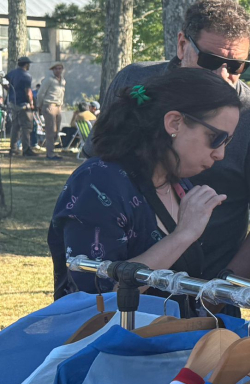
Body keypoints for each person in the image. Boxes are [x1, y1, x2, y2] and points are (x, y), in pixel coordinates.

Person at [92, 0, 250, 283]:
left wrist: (218, 292)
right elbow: (99, 162)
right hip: (118, 277)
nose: (222, 75)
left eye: (237, 66)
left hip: (205, 285)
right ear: (182, 44)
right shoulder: (134, 81)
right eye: (210, 61)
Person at [49, 68, 238, 298]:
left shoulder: (178, 185)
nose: (220, 154)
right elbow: (98, 296)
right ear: (174, 123)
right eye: (216, 138)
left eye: (228, 141)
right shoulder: (97, 183)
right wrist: (183, 234)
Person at [4, 56, 36, 157]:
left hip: (13, 103)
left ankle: (13, 149)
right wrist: (31, 103)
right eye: (28, 64)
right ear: (26, 64)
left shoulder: (12, 73)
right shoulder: (26, 76)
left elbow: (3, 82)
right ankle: (26, 149)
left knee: (15, 126)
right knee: (26, 127)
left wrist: (9, 90)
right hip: (23, 104)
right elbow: (28, 91)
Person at [35, 62, 66, 160]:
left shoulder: (63, 81)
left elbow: (62, 93)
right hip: (49, 105)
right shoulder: (48, 80)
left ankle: (52, 150)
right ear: (52, 70)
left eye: (60, 68)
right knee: (50, 130)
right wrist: (39, 105)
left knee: (56, 131)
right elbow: (41, 93)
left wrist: (61, 105)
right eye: (56, 68)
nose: (58, 70)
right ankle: (50, 153)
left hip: (58, 106)